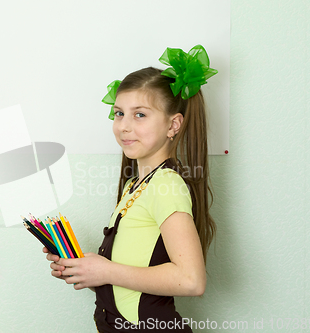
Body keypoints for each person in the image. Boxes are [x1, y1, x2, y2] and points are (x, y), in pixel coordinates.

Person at [43, 45, 217, 332]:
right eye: (119, 113)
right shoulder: (137, 185)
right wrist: (87, 270)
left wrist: (106, 269)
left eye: (140, 115)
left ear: (173, 124)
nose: (123, 126)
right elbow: (129, 284)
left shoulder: (166, 185)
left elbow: (191, 280)